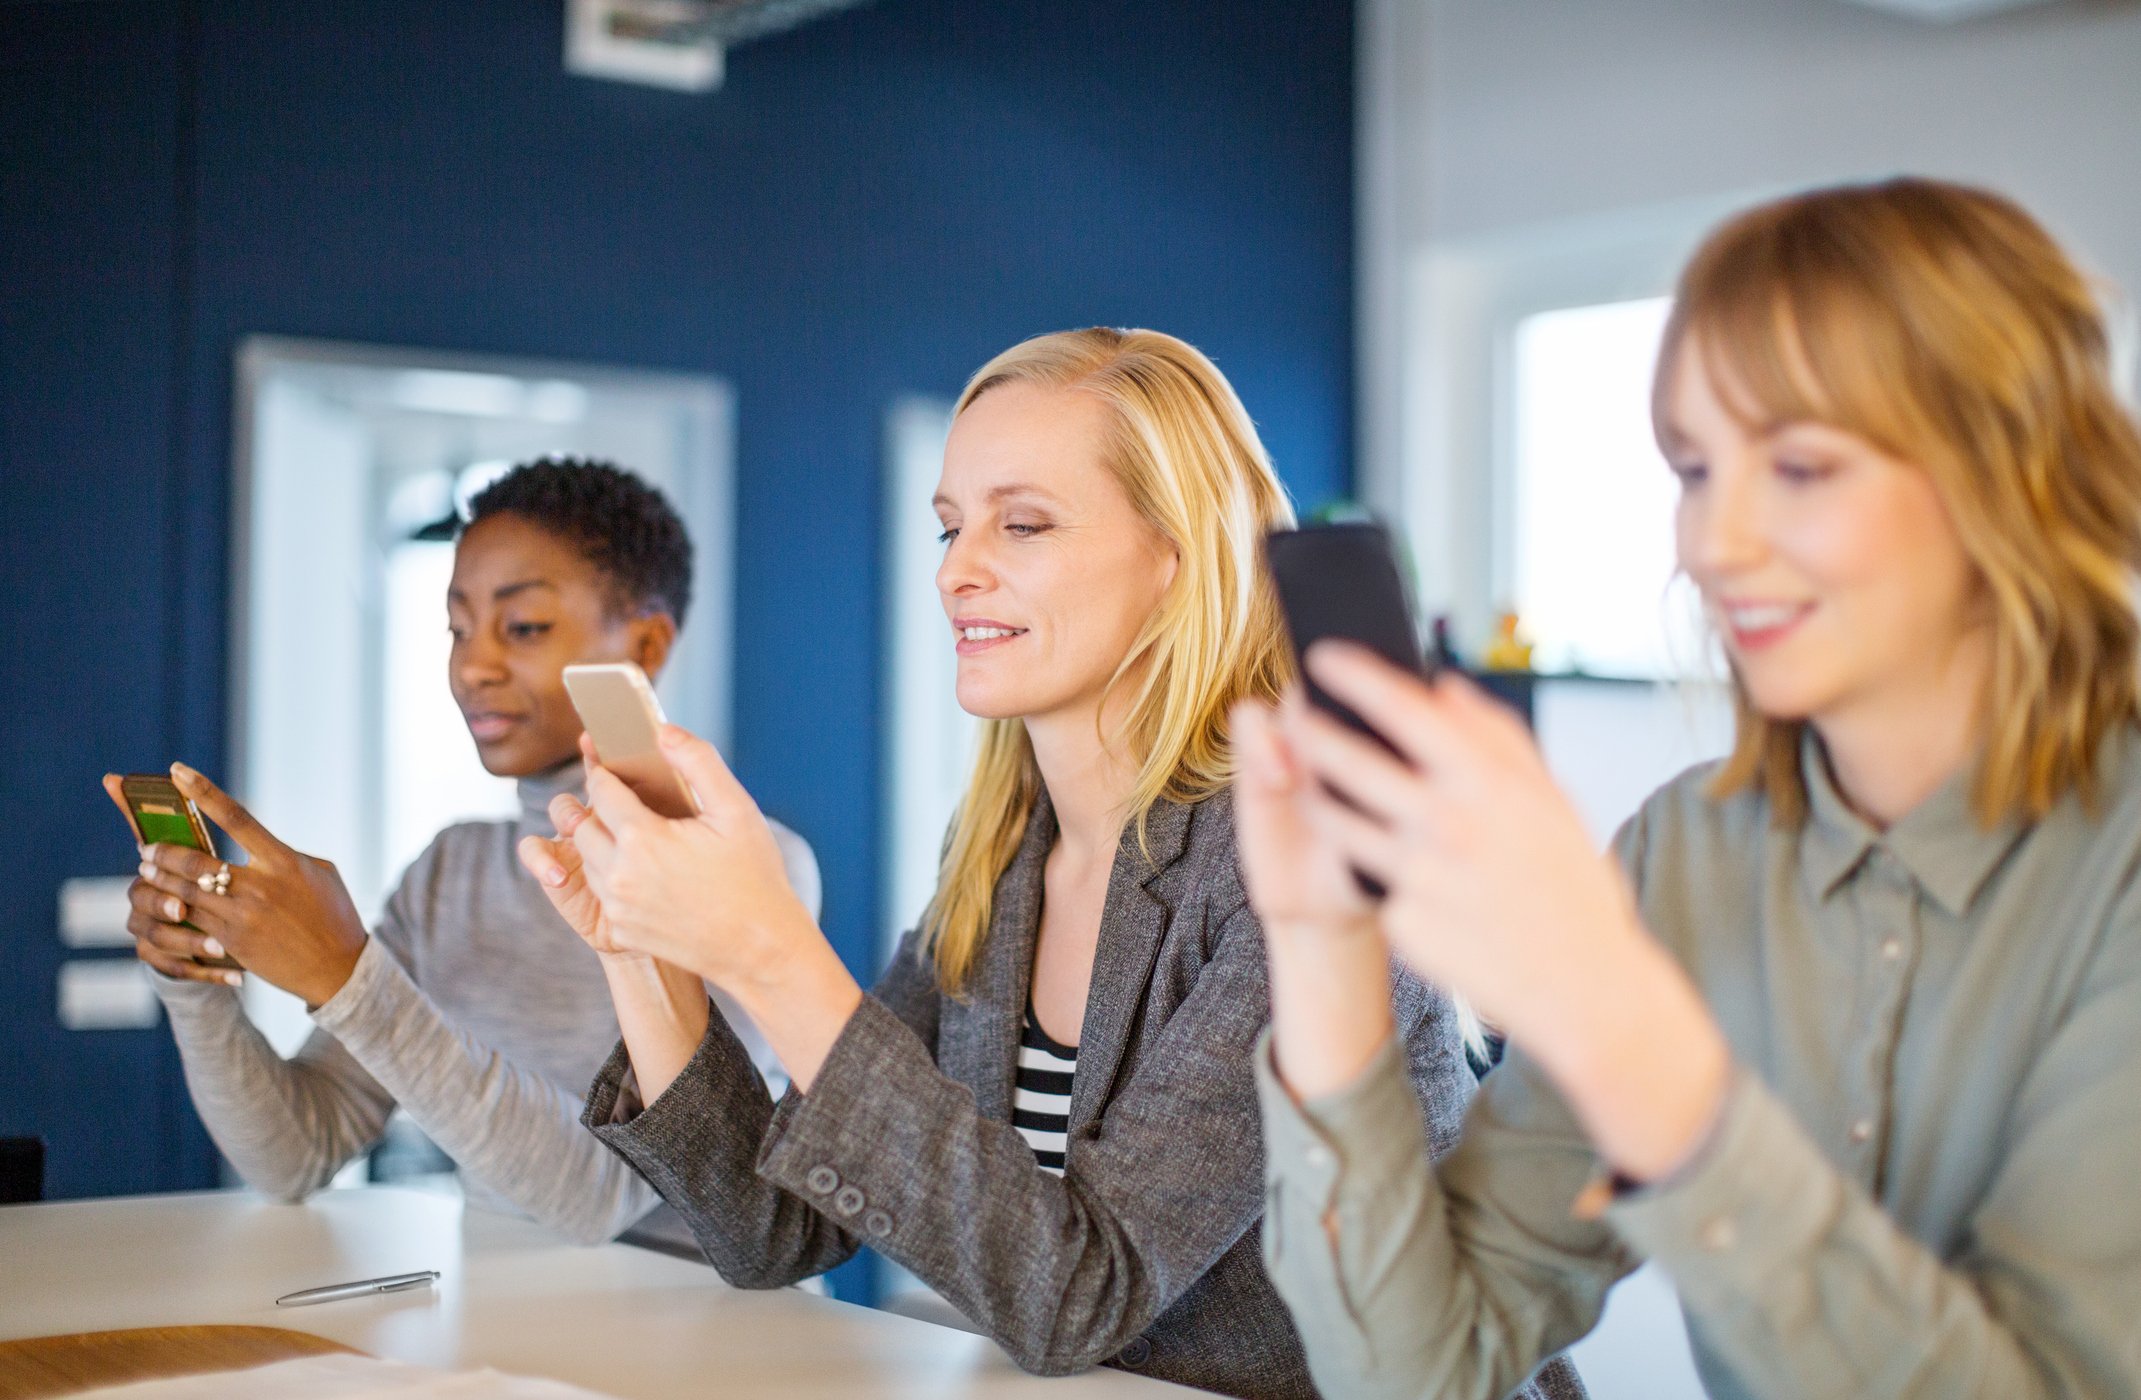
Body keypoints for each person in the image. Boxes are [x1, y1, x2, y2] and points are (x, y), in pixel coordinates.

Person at [516, 330, 1580, 1399]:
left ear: (1179, 555)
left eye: (1020, 523)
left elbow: (1078, 1292)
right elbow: (768, 1225)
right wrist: (643, 946)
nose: (953, 570)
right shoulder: (1002, 852)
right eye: (948, 526)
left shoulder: (1301, 860)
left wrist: (767, 947)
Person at [1238, 177, 2141, 1399]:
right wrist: (1321, 937)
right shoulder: (1682, 850)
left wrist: (1619, 1024)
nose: (1709, 546)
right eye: (1693, 469)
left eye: (1803, 467)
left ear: (2012, 473)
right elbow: (1420, 1371)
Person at [114, 458, 819, 1246]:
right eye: (457, 629)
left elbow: (601, 1198)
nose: (472, 667)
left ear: (648, 643)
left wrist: (348, 978)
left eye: (522, 628)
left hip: (712, 1347)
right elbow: (294, 1153)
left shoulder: (751, 869)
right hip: (503, 1337)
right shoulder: (451, 871)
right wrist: (194, 983)